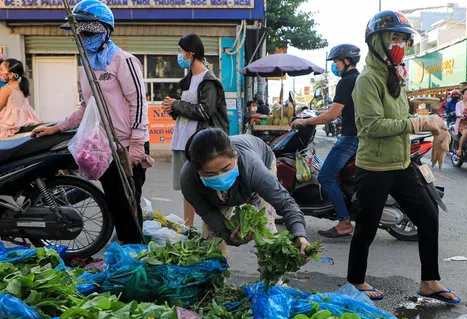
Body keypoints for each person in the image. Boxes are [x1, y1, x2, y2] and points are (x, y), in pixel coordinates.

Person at [348, 10, 459, 303]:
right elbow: (372, 126)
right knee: (368, 226)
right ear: (377, 41)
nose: (400, 44)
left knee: (428, 215)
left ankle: (429, 281)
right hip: (374, 166)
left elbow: (401, 117)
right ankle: (356, 280)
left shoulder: (394, 74)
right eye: (393, 37)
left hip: (400, 162)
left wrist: (436, 125)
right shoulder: (367, 79)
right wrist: (418, 123)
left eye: (403, 39)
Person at [32, 0, 152, 245]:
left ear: (104, 30)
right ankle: (126, 251)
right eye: (79, 31)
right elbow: (86, 109)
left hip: (128, 147)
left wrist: (138, 143)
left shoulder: (123, 60)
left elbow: (138, 102)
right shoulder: (85, 66)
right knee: (116, 204)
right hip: (103, 148)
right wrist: (57, 127)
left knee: (129, 205)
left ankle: (135, 254)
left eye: (88, 31)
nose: (83, 36)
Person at [180, 128, 312, 258]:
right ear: (196, 170)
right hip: (217, 190)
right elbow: (208, 213)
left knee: (266, 230)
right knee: (211, 238)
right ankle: (213, 276)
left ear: (235, 157)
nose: (221, 176)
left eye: (226, 168)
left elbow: (284, 202)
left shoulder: (253, 167)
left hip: (261, 160)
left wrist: (299, 235)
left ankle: (273, 279)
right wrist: (228, 235)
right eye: (210, 174)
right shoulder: (189, 180)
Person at [291, 44, 361, 238]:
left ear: (346, 61)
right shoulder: (360, 79)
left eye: (337, 62)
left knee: (325, 177)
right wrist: (317, 113)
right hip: (362, 136)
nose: (335, 66)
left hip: (350, 138)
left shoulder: (346, 81)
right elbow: (344, 110)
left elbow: (332, 115)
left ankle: (344, 223)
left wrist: (305, 121)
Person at [162, 34, 229, 227]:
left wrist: (177, 105)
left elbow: (204, 111)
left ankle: (215, 228)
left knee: (208, 187)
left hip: (201, 144)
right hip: (184, 140)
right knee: (188, 187)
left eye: (180, 51)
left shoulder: (209, 81)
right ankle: (188, 227)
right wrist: (172, 108)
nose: (178, 55)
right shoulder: (189, 80)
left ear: (190, 54)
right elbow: (186, 111)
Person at [0, 59, 42, 140]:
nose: (0, 72)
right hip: (22, 119)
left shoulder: (6, 89)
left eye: (1, 70)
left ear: (11, 75)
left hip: (10, 120)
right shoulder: (21, 87)